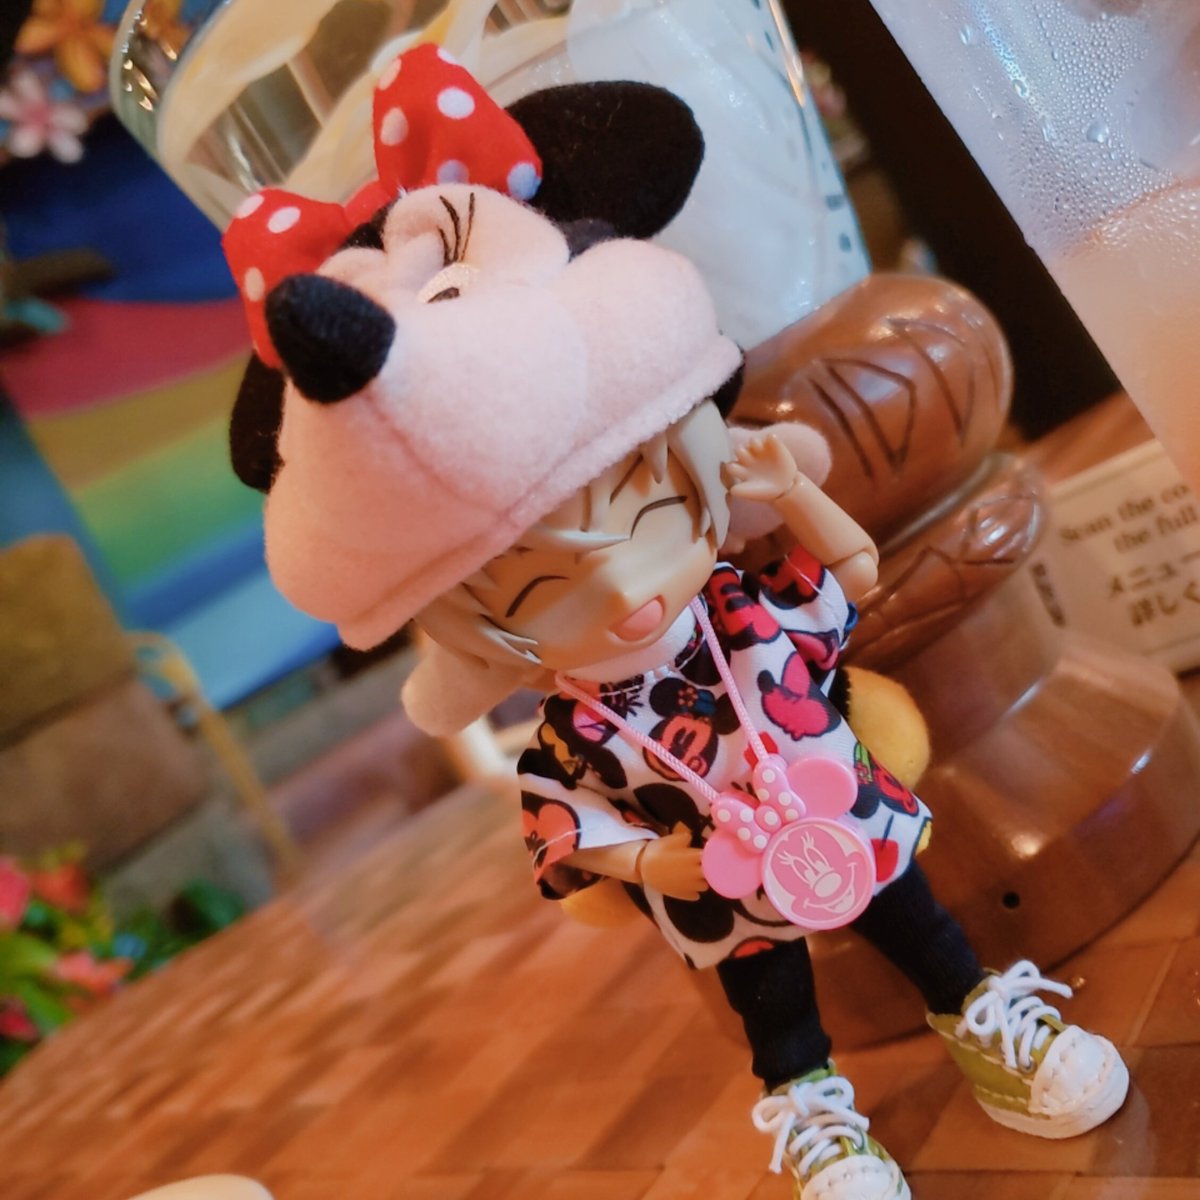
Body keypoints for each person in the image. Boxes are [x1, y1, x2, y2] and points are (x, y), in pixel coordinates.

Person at [222, 43, 1129, 1200]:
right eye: (537, 593)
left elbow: (852, 576)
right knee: (773, 1010)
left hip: (841, 815)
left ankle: (987, 1023)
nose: (624, 594)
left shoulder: (745, 614)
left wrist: (795, 492)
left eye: (655, 514)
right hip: (721, 887)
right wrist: (665, 858)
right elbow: (569, 835)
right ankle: (819, 1115)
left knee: (923, 928)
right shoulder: (575, 734)